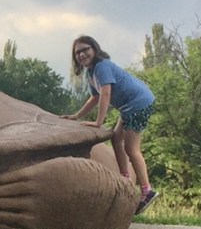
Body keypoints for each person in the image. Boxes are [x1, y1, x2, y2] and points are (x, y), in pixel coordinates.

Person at [62, 35, 159, 215]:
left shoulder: (102, 66)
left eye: (85, 49)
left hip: (138, 103)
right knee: (116, 137)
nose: (82, 54)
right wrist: (76, 116)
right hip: (128, 107)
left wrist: (98, 122)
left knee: (131, 149)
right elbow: (95, 97)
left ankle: (147, 190)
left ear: (94, 49)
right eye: (77, 52)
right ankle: (125, 179)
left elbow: (105, 93)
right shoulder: (90, 73)